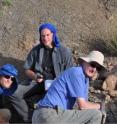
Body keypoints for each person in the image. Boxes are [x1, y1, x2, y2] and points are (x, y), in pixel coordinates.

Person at [8, 23, 74, 122]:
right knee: (13, 92)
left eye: (48, 35)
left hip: (58, 85)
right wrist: (34, 76)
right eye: (43, 36)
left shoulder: (64, 51)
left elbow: (70, 74)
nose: (45, 38)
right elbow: (27, 69)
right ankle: (30, 119)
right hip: (39, 82)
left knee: (51, 104)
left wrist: (59, 82)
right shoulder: (36, 50)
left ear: (53, 34)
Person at [32, 50, 106, 124]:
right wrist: (100, 106)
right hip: (50, 114)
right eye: (93, 64)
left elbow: (84, 109)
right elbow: (83, 106)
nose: (94, 69)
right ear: (84, 62)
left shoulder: (84, 79)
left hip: (41, 116)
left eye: (98, 68)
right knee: (96, 115)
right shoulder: (77, 73)